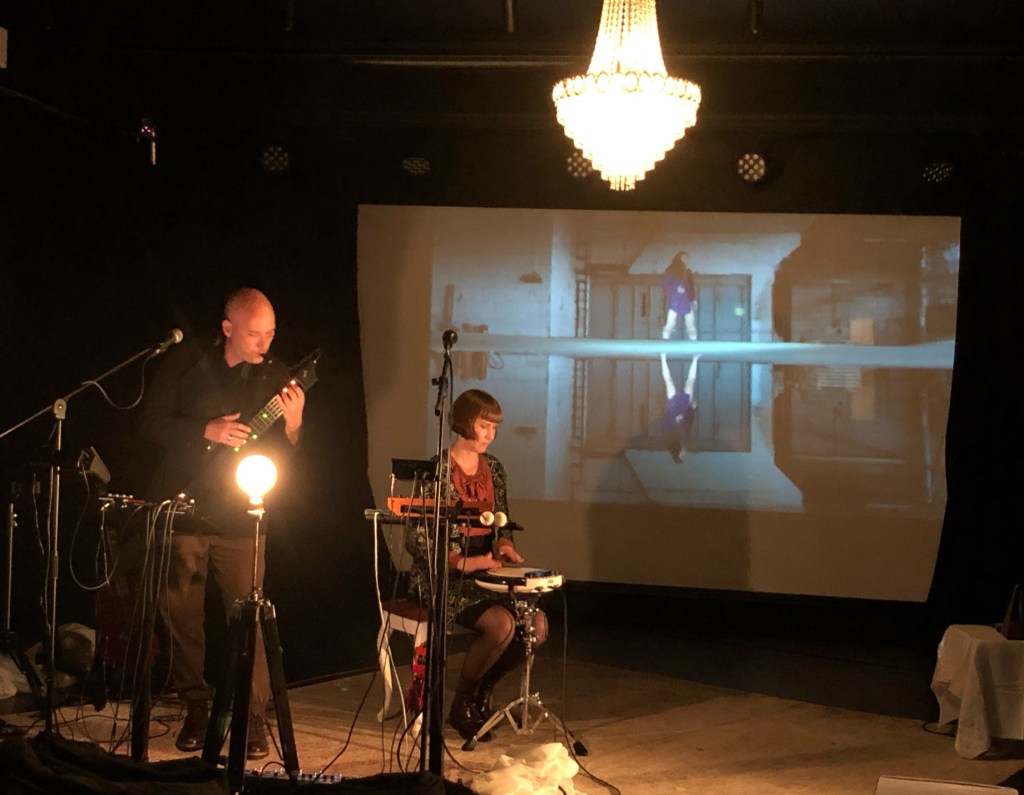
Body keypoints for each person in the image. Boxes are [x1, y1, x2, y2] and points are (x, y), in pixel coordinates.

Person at [138, 287, 305, 759]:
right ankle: (196, 704)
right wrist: (204, 430)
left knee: (249, 619)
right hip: (184, 509)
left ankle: (251, 719)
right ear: (228, 328)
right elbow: (149, 424)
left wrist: (293, 425)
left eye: (271, 333)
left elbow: (290, 450)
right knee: (180, 617)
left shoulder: (277, 376)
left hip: (242, 517)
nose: (264, 343)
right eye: (254, 333)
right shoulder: (185, 363)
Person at [405, 389, 547, 742]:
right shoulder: (437, 469)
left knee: (537, 625)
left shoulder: (494, 467)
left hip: (487, 571)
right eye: (484, 426)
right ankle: (462, 703)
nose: (489, 435)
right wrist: (462, 562)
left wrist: (505, 547)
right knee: (501, 625)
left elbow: (502, 521)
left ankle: (482, 691)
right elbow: (417, 537)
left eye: (494, 429)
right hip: (445, 577)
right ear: (465, 422)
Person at [660, 353, 699, 463]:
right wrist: (692, 409)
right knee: (690, 381)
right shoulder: (685, 440)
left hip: (673, 409)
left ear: (678, 454)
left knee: (668, 381)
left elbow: (663, 424)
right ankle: (695, 358)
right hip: (684, 407)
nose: (685, 454)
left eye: (682, 456)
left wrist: (674, 418)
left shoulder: (670, 439)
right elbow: (689, 422)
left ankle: (662, 357)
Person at [661, 251, 698, 341]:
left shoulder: (687, 272)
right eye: (684, 257)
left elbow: (691, 287)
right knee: (670, 324)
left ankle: (694, 346)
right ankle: (664, 346)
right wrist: (675, 289)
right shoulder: (670, 270)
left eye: (687, 258)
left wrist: (693, 299)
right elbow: (665, 284)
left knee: (690, 326)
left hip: (686, 300)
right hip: (675, 300)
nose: (686, 260)